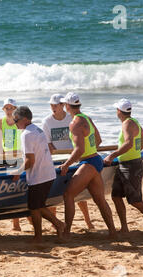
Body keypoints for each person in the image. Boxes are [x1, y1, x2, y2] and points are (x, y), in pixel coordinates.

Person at [57, 92, 117, 239]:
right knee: (99, 200)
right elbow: (98, 140)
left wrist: (66, 164)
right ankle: (113, 232)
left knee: (68, 194)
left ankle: (66, 233)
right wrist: (88, 153)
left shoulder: (75, 123)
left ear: (67, 106)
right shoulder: (86, 118)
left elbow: (79, 149)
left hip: (89, 163)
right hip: (95, 160)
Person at [104, 99, 143, 233]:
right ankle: (124, 227)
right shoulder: (134, 122)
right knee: (116, 197)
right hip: (125, 164)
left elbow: (128, 143)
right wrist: (135, 152)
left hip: (132, 166)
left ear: (119, 111)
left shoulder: (127, 124)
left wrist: (112, 156)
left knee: (135, 200)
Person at [12, 106, 65, 243]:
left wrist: (18, 172)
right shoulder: (38, 129)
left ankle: (47, 231)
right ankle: (52, 228)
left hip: (39, 175)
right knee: (38, 206)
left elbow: (30, 160)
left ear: (24, 119)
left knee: (35, 207)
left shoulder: (27, 134)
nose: (15, 123)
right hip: (48, 172)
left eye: (16, 120)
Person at [42, 93, 94, 230]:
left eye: (56, 105)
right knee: (54, 192)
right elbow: (49, 144)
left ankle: (88, 221)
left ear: (63, 106)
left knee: (78, 192)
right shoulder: (47, 121)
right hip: (58, 160)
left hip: (74, 158)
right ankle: (55, 223)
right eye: (51, 105)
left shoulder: (71, 119)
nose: (53, 107)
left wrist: (73, 156)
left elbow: (80, 140)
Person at [0, 98, 23, 231]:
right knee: (12, 189)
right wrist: (4, 157)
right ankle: (15, 223)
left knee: (21, 189)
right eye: (6, 108)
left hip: (21, 158)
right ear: (3, 109)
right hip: (8, 159)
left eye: (11, 108)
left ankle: (19, 222)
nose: (9, 110)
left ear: (15, 109)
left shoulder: (20, 122)